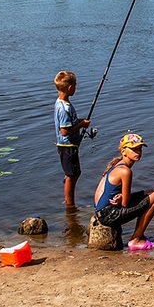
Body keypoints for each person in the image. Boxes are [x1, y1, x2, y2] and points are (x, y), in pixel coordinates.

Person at [94, 133, 154, 251]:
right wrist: (122, 198)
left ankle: (139, 236)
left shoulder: (117, 165)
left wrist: (121, 196)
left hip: (102, 212)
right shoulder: (125, 171)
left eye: (139, 148)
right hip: (108, 215)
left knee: (149, 193)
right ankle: (136, 239)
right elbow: (125, 203)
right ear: (123, 151)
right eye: (134, 149)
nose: (138, 152)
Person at [54, 71, 91, 211]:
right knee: (72, 174)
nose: (76, 88)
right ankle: (70, 205)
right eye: (75, 85)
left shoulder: (60, 103)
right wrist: (81, 125)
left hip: (67, 145)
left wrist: (79, 121)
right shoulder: (64, 108)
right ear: (70, 88)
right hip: (67, 145)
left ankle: (68, 198)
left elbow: (68, 123)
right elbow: (65, 131)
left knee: (73, 173)